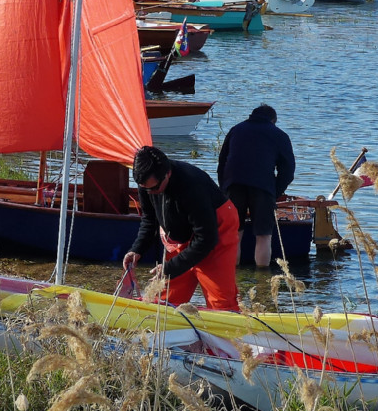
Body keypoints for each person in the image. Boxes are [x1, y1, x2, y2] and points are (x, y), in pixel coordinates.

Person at [123, 145, 240, 311]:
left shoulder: (192, 185)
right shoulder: (147, 183)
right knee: (165, 296)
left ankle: (229, 323)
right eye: (145, 189)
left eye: (155, 188)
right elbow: (150, 220)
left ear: (168, 173)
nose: (151, 193)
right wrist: (136, 250)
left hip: (216, 229)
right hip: (182, 234)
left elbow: (206, 239)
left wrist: (169, 268)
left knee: (220, 302)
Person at [217, 104, 296, 268]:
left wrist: (224, 189)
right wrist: (275, 192)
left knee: (234, 234)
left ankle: (233, 277)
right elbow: (288, 170)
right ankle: (263, 280)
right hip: (263, 187)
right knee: (263, 236)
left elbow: (222, 163)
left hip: (233, 184)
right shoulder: (279, 135)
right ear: (273, 120)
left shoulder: (236, 130)